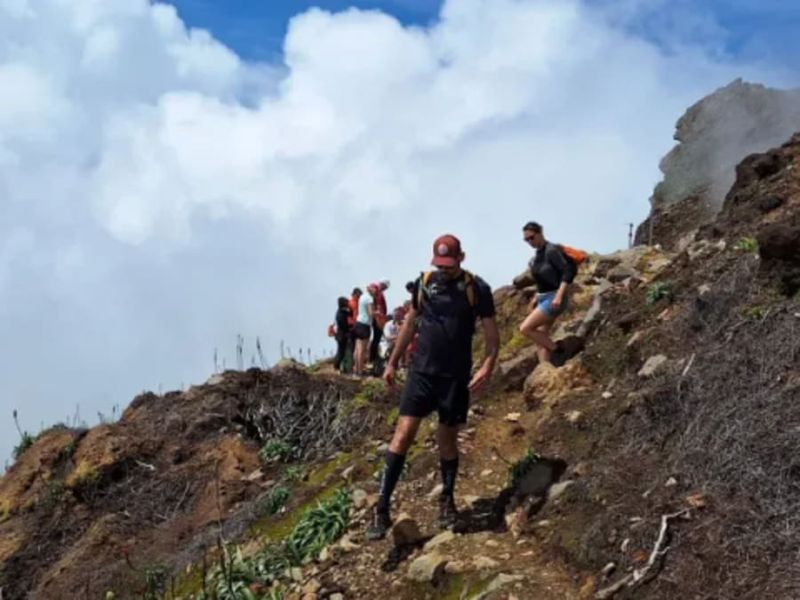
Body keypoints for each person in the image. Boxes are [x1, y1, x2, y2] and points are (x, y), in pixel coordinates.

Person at [366, 234, 499, 540]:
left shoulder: (476, 289)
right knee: (402, 435)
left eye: (449, 264)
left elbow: (492, 335)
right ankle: (382, 509)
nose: (444, 269)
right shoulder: (425, 283)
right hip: (421, 372)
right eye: (440, 264)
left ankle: (446, 501)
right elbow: (411, 323)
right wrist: (391, 363)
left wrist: (488, 366)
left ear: (461, 258)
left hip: (454, 376)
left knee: (447, 441)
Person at [518, 221, 576, 365]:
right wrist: (536, 297)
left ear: (540, 233)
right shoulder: (537, 256)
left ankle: (559, 350)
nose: (530, 242)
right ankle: (545, 370)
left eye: (532, 237)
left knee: (525, 328)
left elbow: (567, 271)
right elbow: (543, 280)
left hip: (554, 298)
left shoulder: (551, 250)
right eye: (526, 240)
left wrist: (559, 295)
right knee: (540, 338)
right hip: (544, 297)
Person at [354, 286, 374, 376]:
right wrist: (377, 313)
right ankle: (360, 371)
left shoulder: (362, 297)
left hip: (358, 323)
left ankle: (356, 370)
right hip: (365, 324)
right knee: (362, 350)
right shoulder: (370, 298)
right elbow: (371, 313)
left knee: (358, 349)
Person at [369, 281, 390, 364]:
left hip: (379, 318)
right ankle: (373, 358)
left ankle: (373, 357)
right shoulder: (378, 294)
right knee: (376, 338)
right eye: (384, 286)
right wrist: (379, 319)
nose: (384, 288)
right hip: (378, 318)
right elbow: (379, 308)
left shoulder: (378, 294)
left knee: (377, 339)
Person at [333, 297, 353, 372]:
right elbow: (344, 325)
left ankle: (340, 366)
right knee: (341, 351)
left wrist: (350, 308)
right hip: (342, 335)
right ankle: (336, 366)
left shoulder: (341, 312)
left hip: (341, 334)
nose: (348, 303)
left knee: (342, 351)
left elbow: (350, 313)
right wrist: (349, 328)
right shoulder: (340, 314)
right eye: (346, 302)